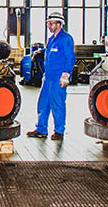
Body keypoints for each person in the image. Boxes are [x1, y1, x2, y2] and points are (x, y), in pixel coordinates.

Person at [27, 11, 75, 141]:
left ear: (59, 24)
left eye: (51, 23)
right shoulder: (51, 39)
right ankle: (41, 129)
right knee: (43, 103)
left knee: (57, 104)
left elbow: (70, 58)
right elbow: (49, 51)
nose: (48, 26)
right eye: (48, 24)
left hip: (58, 78)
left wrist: (66, 74)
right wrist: (40, 51)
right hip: (48, 77)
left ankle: (59, 131)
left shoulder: (66, 39)